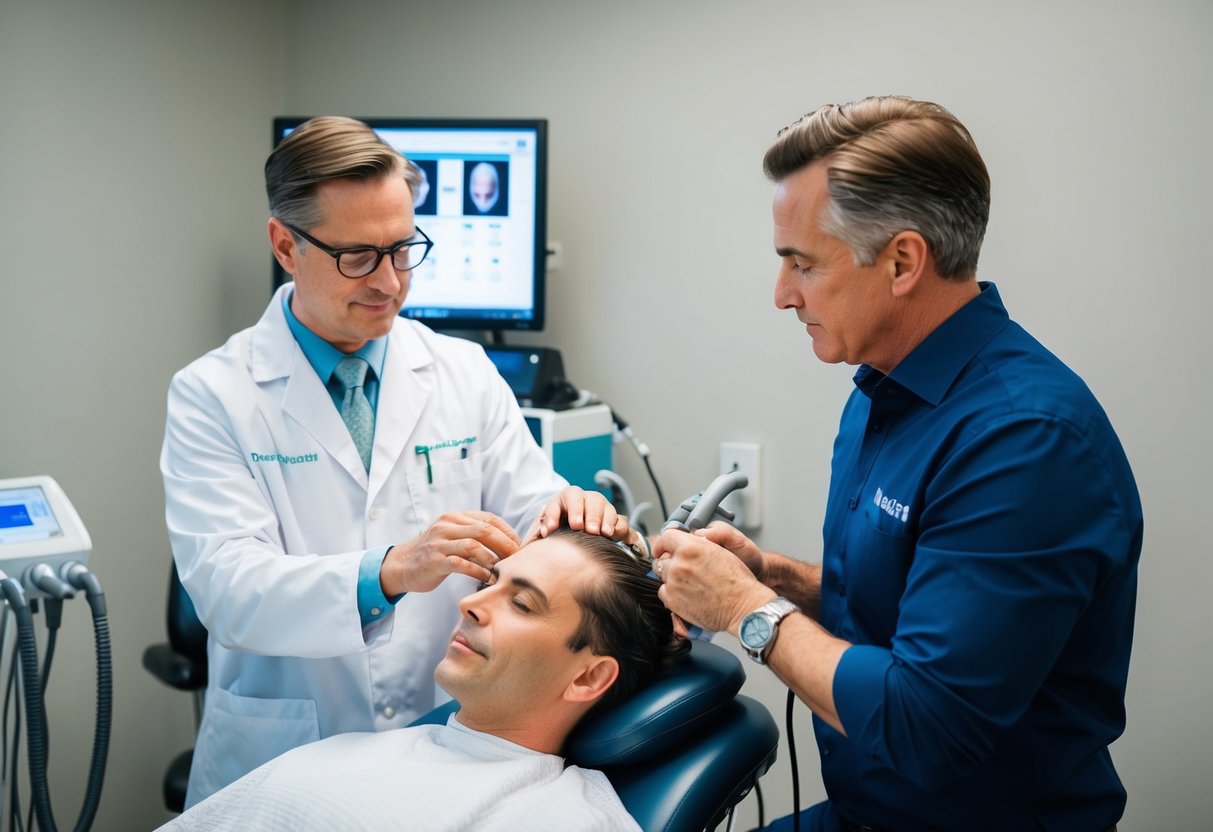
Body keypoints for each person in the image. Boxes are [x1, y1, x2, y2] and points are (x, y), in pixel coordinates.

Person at [652, 96, 1142, 832]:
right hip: (864, 812)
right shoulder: (883, 389)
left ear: (902, 261)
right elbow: (913, 609)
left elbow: (929, 723)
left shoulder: (1022, 439)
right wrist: (778, 580)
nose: (782, 295)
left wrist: (745, 611)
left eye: (802, 264)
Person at [160, 116, 628, 807]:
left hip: (438, 744)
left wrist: (570, 510)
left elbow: (533, 505)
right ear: (284, 245)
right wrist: (390, 570)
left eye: (403, 248)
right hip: (283, 754)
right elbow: (232, 593)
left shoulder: (460, 370)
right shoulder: (213, 394)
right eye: (357, 256)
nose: (390, 282)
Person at [158, 527, 686, 831]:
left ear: (589, 677)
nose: (470, 602)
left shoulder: (558, 817)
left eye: (521, 603)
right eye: (491, 582)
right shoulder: (342, 754)